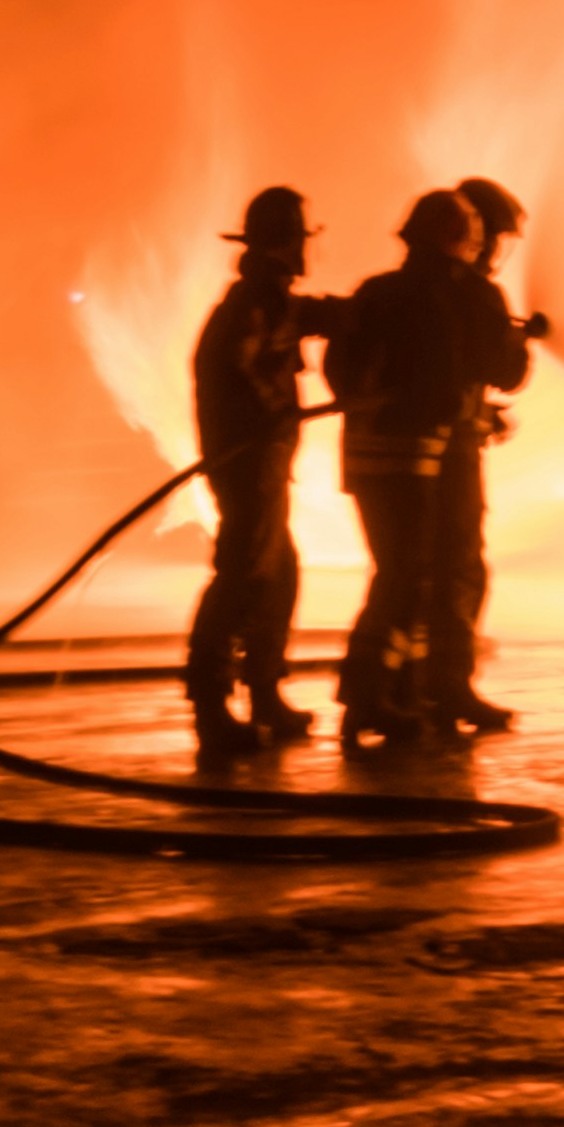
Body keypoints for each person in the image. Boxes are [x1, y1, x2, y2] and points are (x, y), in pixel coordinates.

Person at [319, 192, 480, 749]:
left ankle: (392, 693)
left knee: (398, 573)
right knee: (405, 577)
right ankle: (366, 696)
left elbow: (337, 367)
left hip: (363, 457)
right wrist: (467, 412)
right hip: (411, 460)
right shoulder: (434, 302)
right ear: (454, 244)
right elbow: (441, 385)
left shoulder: (375, 291)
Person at [184, 190, 338, 751]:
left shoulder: (264, 300)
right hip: (249, 464)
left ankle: (265, 692)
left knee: (279, 573)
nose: (305, 252)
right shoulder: (254, 304)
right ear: (288, 241)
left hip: (261, 463)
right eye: (301, 238)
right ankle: (210, 705)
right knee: (244, 574)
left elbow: (304, 317)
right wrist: (270, 421)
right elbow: (248, 365)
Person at [424, 174, 552, 737]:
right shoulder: (473, 294)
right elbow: (506, 370)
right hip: (449, 457)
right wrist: (521, 339)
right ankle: (448, 688)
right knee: (459, 569)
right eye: (494, 237)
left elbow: (438, 374)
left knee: (410, 573)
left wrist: (481, 411)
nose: (496, 251)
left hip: (408, 453)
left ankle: (401, 691)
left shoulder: (408, 287)